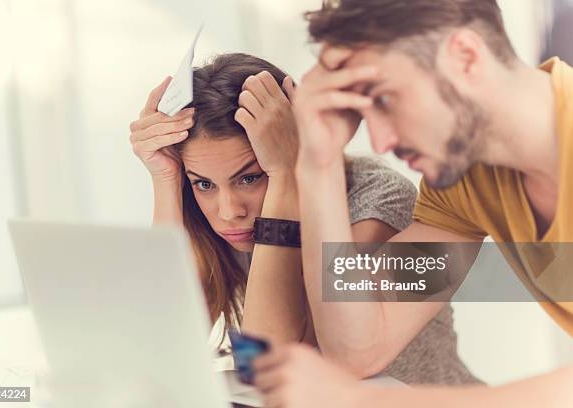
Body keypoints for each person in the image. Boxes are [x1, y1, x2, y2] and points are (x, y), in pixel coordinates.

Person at [253, 0, 573, 406]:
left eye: (385, 100)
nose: (382, 141)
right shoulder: (466, 181)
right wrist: (318, 164)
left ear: (466, 57)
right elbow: (360, 347)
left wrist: (366, 402)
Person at [129, 53, 480, 385]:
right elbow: (163, 344)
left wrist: (285, 173)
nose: (228, 210)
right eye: (203, 183)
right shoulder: (224, 226)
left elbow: (270, 360)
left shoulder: (375, 200)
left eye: (250, 177)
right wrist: (166, 178)